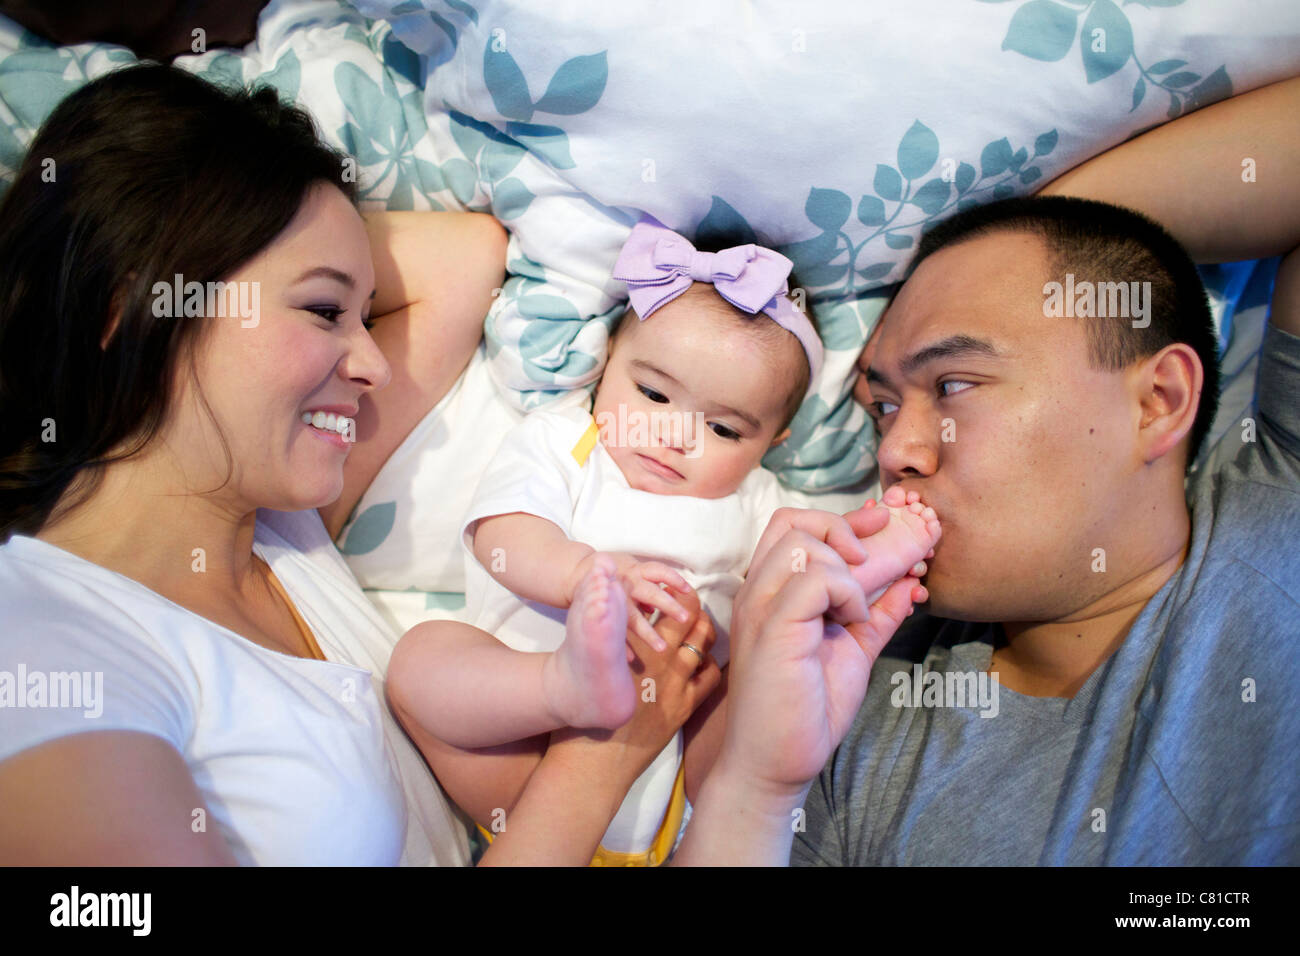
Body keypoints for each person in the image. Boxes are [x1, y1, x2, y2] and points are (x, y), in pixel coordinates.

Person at [0, 63, 719, 866]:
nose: (373, 363)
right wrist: (603, 758)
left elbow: (464, 263)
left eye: (361, 310)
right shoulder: (44, 645)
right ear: (132, 312)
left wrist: (287, 233)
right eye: (322, 311)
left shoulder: (281, 532)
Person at [666, 75, 1300, 865]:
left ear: (1158, 403)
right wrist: (756, 791)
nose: (895, 452)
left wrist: (1056, 224)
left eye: (954, 385)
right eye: (883, 407)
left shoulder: (1282, 498)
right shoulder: (853, 720)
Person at [385, 218, 940, 864]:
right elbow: (500, 534)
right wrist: (582, 575)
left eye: (725, 430)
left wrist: (848, 545)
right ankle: (561, 683)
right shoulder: (567, 443)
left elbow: (786, 578)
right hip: (519, 762)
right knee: (422, 661)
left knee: (763, 661)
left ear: (770, 446)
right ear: (604, 372)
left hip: (677, 787)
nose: (676, 436)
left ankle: (866, 569)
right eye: (652, 394)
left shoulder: (759, 503)